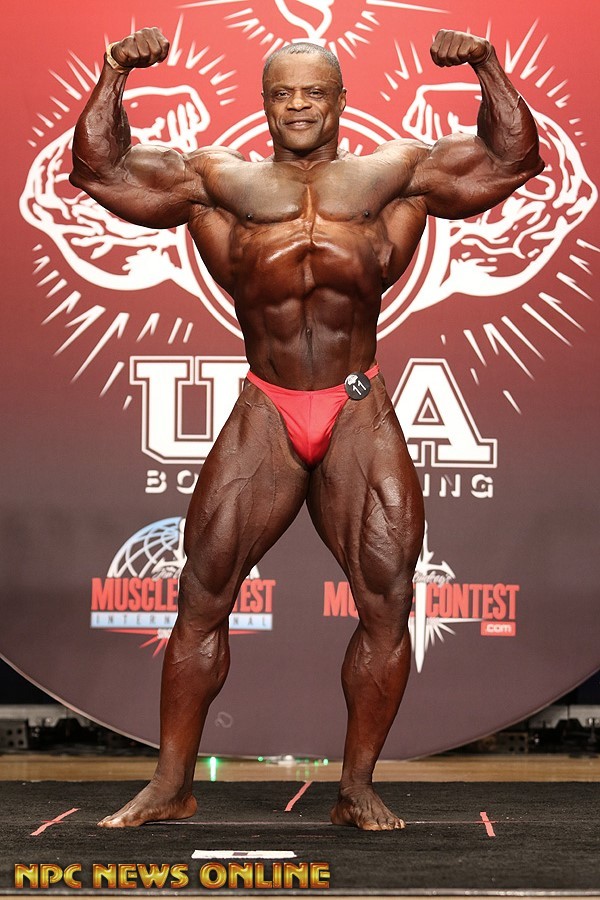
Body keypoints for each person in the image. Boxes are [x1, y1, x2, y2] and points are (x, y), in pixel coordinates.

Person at [70, 26, 544, 830]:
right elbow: (101, 170)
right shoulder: (217, 180)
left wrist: (487, 66)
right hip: (268, 402)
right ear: (263, 102)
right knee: (201, 594)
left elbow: (510, 160)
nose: (297, 105)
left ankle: (356, 788)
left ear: (340, 99)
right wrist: (115, 71)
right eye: (282, 92)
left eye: (313, 91)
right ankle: (172, 785)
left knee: (388, 599)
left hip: (356, 399)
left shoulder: (395, 174)